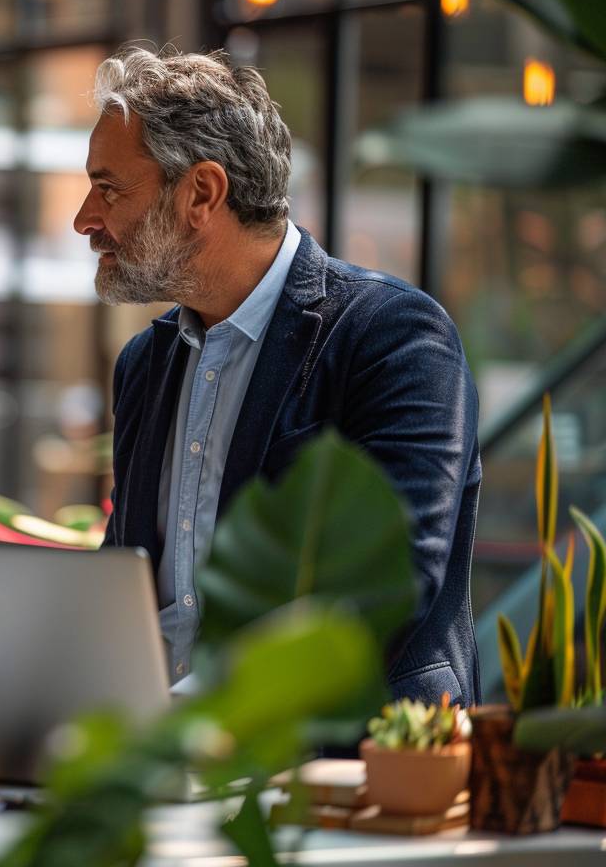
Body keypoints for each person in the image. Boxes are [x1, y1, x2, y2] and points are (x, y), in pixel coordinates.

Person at [74, 45, 480, 705]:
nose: (86, 220)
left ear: (202, 193)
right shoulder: (145, 365)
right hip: (155, 766)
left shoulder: (394, 338)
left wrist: (197, 717)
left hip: (343, 774)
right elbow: (128, 584)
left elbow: (385, 591)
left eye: (109, 188)